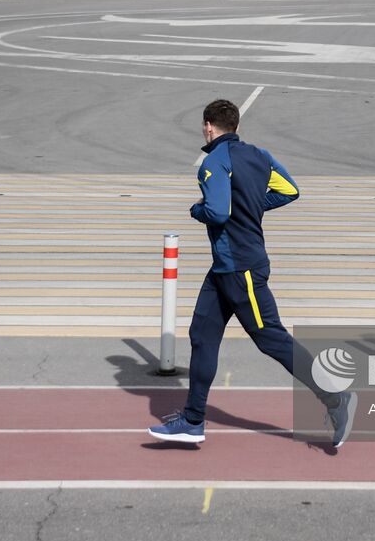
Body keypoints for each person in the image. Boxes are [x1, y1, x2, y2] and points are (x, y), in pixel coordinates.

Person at [148, 99, 358, 447]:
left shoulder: (212, 163)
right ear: (236, 127)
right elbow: (290, 190)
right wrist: (256, 203)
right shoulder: (259, 155)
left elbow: (216, 212)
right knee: (201, 334)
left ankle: (336, 398)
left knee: (272, 338)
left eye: (205, 127)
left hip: (241, 269)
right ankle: (193, 420)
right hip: (224, 270)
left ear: (208, 127)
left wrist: (197, 210)